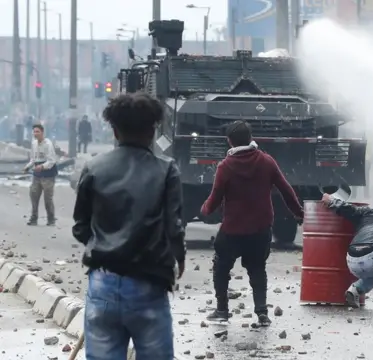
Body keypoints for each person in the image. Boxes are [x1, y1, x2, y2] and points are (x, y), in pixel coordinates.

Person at [72, 92, 186, 360]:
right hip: (149, 283)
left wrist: (100, 244)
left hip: (102, 283)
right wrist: (178, 257)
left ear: (114, 129)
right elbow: (174, 226)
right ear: (153, 129)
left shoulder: (94, 167)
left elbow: (80, 227)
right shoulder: (166, 170)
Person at [200, 120, 304, 325]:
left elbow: (214, 199)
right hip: (261, 228)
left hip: (232, 230)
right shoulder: (267, 161)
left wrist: (204, 210)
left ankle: (222, 310)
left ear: (229, 142)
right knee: (257, 268)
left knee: (221, 266)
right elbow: (286, 190)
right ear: (250, 138)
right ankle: (262, 313)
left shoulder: (225, 166)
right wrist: (298, 212)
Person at [23, 124, 58, 226]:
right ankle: (34, 218)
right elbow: (33, 159)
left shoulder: (48, 144)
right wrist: (27, 167)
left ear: (42, 132)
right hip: (37, 174)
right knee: (33, 195)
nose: (35, 134)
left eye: (37, 132)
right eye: (34, 132)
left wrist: (42, 167)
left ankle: (51, 219)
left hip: (48, 175)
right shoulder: (34, 144)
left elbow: (52, 161)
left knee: (48, 199)